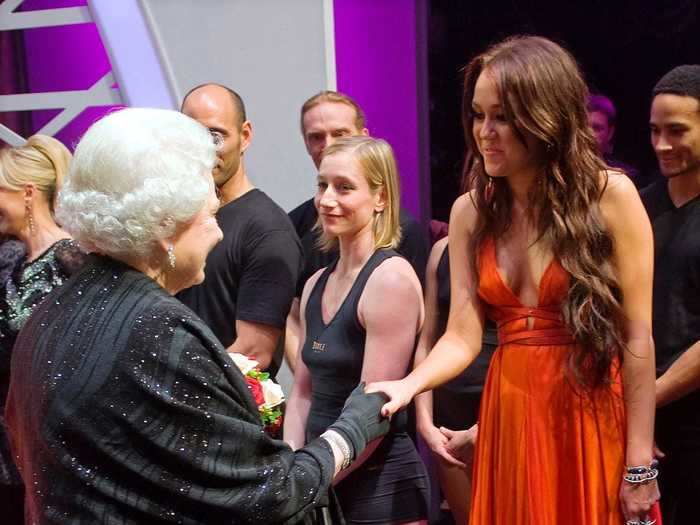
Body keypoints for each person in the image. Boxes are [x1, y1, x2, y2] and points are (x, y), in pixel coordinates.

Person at [5, 108, 391, 524]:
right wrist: (353, 428)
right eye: (209, 214)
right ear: (166, 228)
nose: (219, 231)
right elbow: (270, 493)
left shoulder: (55, 308)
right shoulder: (157, 329)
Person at [368, 36, 659, 525]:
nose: (485, 132)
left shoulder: (612, 197)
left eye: (502, 116)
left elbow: (637, 339)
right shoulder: (470, 212)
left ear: (545, 116)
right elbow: (461, 333)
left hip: (587, 411)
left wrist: (638, 465)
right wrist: (408, 384)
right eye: (478, 115)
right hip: (509, 412)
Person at [284, 136, 429, 524]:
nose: (327, 199)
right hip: (321, 480)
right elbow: (302, 391)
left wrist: (308, 484)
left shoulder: (390, 280)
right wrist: (292, 468)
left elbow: (373, 411)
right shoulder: (315, 282)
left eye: (344, 187)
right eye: (322, 185)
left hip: (379, 487)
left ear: (380, 198)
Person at [285, 91, 429, 370]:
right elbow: (291, 316)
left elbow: (422, 335)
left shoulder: (406, 233)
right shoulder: (293, 227)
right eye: (316, 137)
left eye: (340, 133)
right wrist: (311, 380)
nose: (328, 146)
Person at [177, 83, 302, 372]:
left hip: (223, 410)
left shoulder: (268, 231)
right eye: (190, 136)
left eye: (214, 135)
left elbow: (252, 354)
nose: (203, 150)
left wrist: (174, 386)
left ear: (244, 136)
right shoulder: (181, 218)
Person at [0, 135, 86, 524]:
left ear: (28, 193)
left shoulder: (71, 259)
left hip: (58, 443)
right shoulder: (16, 263)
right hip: (14, 436)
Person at [643, 64, 700, 525]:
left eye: (677, 131)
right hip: (643, 418)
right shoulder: (640, 207)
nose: (662, 144)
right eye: (655, 130)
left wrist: (647, 399)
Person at [414, 234, 497, 524]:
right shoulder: (443, 249)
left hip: (504, 412)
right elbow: (427, 340)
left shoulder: (525, 243)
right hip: (448, 420)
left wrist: (484, 429)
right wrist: (425, 421)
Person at [587, 94, 649, 189]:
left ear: (610, 132)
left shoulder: (626, 177)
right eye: (584, 127)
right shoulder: (564, 171)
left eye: (597, 128)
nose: (589, 134)